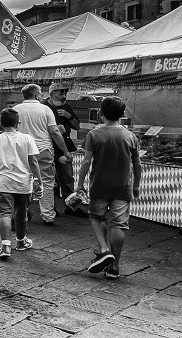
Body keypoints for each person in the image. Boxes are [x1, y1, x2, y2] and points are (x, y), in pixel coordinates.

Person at [76, 96, 142, 281]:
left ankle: (104, 250)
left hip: (100, 185)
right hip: (123, 187)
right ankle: (114, 267)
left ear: (101, 113)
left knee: (96, 216)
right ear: (122, 115)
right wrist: (136, 186)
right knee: (119, 224)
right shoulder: (130, 136)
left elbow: (87, 161)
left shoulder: (95, 134)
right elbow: (137, 165)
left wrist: (80, 185)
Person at [0, 108, 43, 259]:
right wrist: (39, 181)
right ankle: (21, 241)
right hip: (23, 182)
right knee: (21, 214)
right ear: (18, 123)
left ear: (1, 124)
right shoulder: (27, 139)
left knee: (5, 213)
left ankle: (5, 246)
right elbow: (34, 162)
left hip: (3, 182)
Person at [12, 83, 70, 225]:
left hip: (22, 151)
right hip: (43, 150)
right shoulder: (45, 110)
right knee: (47, 183)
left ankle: (21, 212)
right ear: (37, 95)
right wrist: (65, 151)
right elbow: (55, 132)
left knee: (22, 181)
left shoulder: (15, 110)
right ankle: (48, 215)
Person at [45, 84, 83, 216]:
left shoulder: (66, 107)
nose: (63, 96)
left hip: (64, 147)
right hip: (48, 146)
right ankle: (50, 207)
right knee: (50, 180)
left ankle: (72, 207)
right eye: (60, 93)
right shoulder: (43, 107)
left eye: (65, 93)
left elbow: (77, 126)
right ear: (51, 93)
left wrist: (69, 116)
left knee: (67, 178)